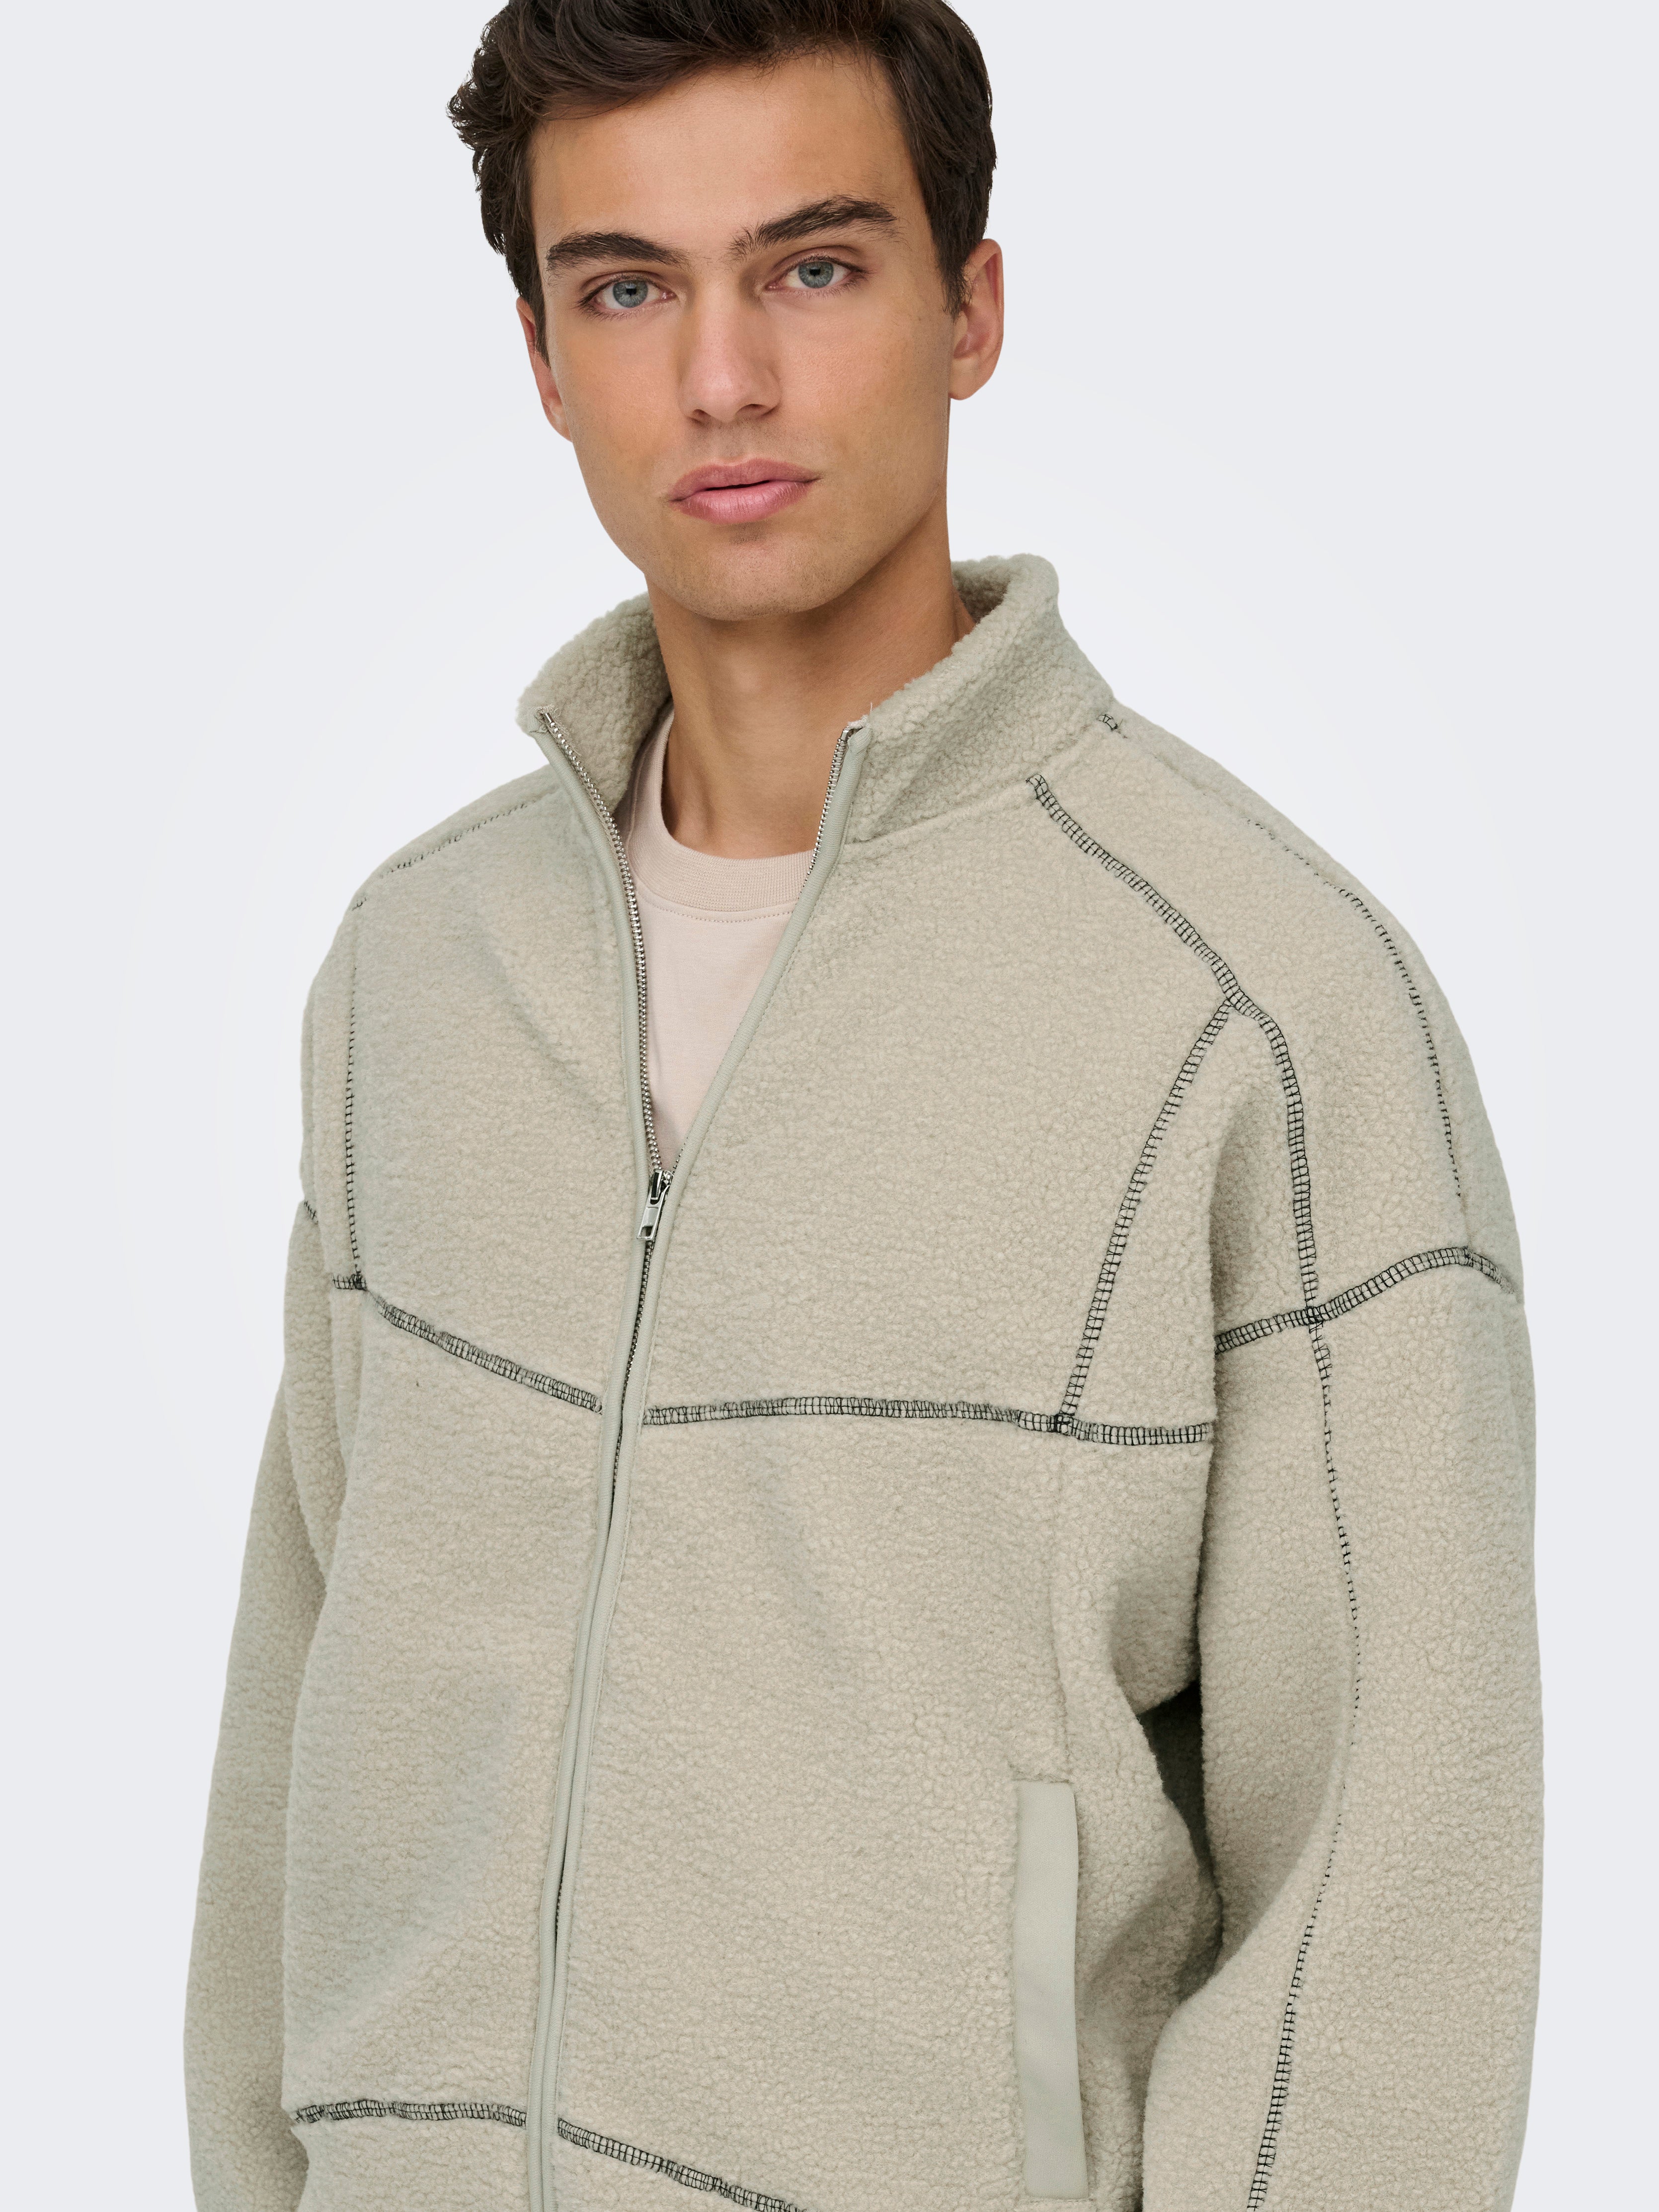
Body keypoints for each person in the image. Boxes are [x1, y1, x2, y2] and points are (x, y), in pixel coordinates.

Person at [183, 4, 1543, 2208]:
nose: (722, 377)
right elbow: (299, 1716)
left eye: (810, 267)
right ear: (542, 358)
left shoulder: (1257, 1012)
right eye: (628, 287)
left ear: (967, 308)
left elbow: (1382, 1910)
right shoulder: (417, 976)